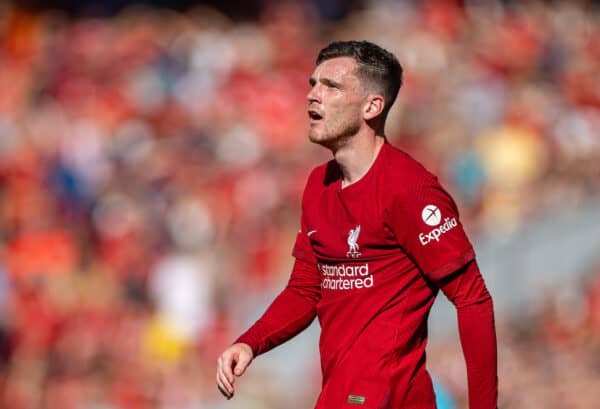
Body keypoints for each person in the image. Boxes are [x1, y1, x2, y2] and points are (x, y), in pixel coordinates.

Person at [216, 40, 497, 409]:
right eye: (313, 83)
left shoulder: (410, 190)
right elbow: (305, 289)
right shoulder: (319, 185)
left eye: (331, 86)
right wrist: (251, 342)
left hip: (385, 397)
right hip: (337, 395)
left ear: (372, 106)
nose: (312, 95)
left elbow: (472, 297)